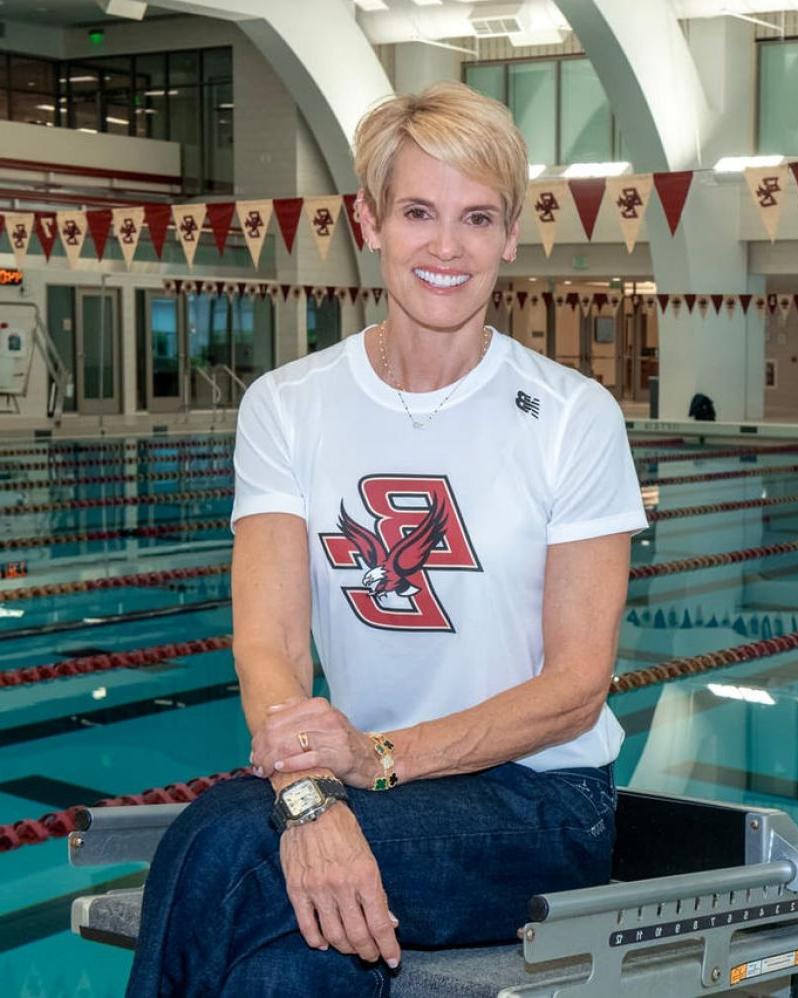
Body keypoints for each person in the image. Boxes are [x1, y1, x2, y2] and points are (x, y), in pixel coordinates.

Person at [125, 81, 646, 997]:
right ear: (368, 221)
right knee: (290, 956)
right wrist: (307, 797)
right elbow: (272, 645)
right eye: (418, 211)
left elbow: (574, 691)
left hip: (537, 804)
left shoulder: (572, 416)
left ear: (511, 235)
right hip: (353, 789)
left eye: (477, 217)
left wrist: (379, 759)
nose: (447, 247)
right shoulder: (288, 406)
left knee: (228, 848)